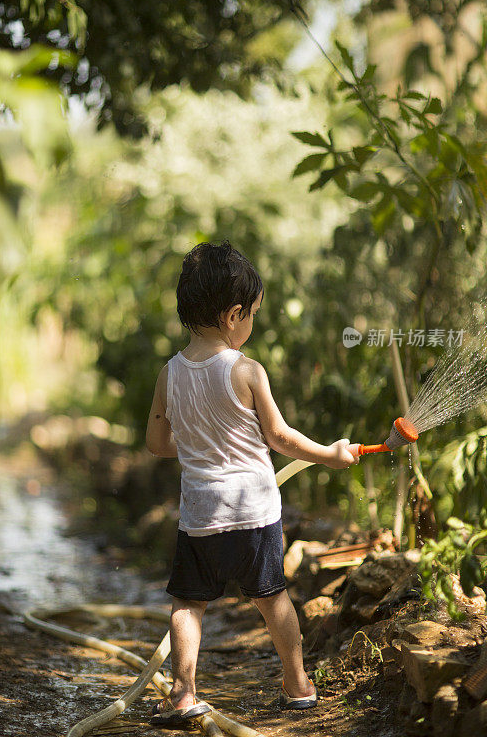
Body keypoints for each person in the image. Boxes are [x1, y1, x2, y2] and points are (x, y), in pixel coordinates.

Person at [145, 240, 359, 728]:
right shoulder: (247, 371)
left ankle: (183, 692)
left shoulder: (169, 374)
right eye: (253, 314)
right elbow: (279, 437)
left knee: (188, 604)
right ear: (233, 314)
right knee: (272, 597)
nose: (253, 324)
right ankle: (298, 683)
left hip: (200, 518)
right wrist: (330, 454)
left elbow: (158, 444)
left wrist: (199, 447)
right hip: (254, 516)